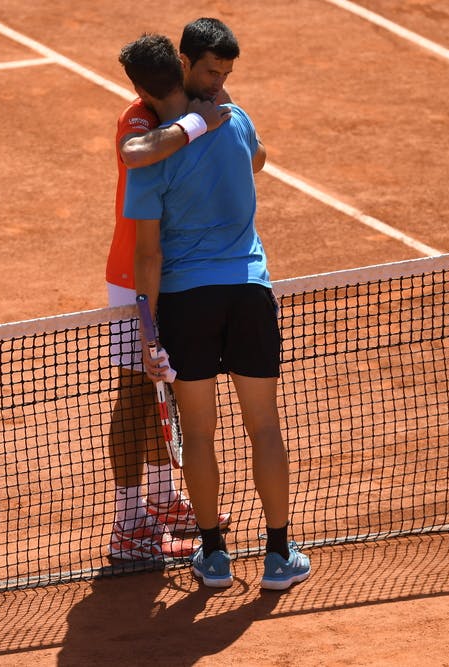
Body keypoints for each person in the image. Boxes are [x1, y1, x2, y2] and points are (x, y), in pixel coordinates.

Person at [121, 33, 311, 590]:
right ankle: (279, 554)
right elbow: (258, 160)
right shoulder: (236, 118)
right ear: (183, 69)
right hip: (250, 293)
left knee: (198, 435)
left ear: (139, 90)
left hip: (186, 302)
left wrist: (149, 333)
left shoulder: (151, 158)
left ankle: (214, 557)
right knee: (265, 428)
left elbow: (149, 254)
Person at [106, 18, 238, 561]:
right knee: (137, 396)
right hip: (133, 278)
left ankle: (161, 500)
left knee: (171, 390)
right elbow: (139, 152)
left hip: (181, 274)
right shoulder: (137, 119)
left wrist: (206, 110)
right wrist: (195, 124)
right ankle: (128, 523)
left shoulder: (201, 98)